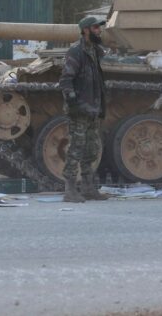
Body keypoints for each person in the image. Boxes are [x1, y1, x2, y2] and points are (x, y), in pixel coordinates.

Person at [58, 16, 109, 203]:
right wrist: (72, 100)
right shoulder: (76, 51)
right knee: (75, 149)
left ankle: (88, 188)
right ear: (86, 30)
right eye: (96, 27)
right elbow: (66, 79)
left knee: (91, 149)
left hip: (93, 109)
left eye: (99, 27)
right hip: (80, 109)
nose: (99, 30)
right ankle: (70, 190)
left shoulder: (95, 51)